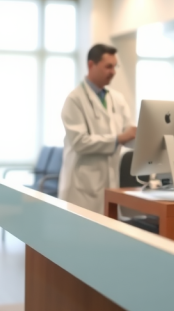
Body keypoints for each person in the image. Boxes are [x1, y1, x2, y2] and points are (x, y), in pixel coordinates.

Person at [58, 44, 136, 214]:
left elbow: (129, 135)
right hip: (81, 187)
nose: (113, 72)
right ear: (91, 65)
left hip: (110, 182)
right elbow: (80, 142)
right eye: (108, 66)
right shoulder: (74, 99)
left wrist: (144, 137)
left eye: (115, 67)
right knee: (81, 229)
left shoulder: (117, 99)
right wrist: (118, 138)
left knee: (107, 228)